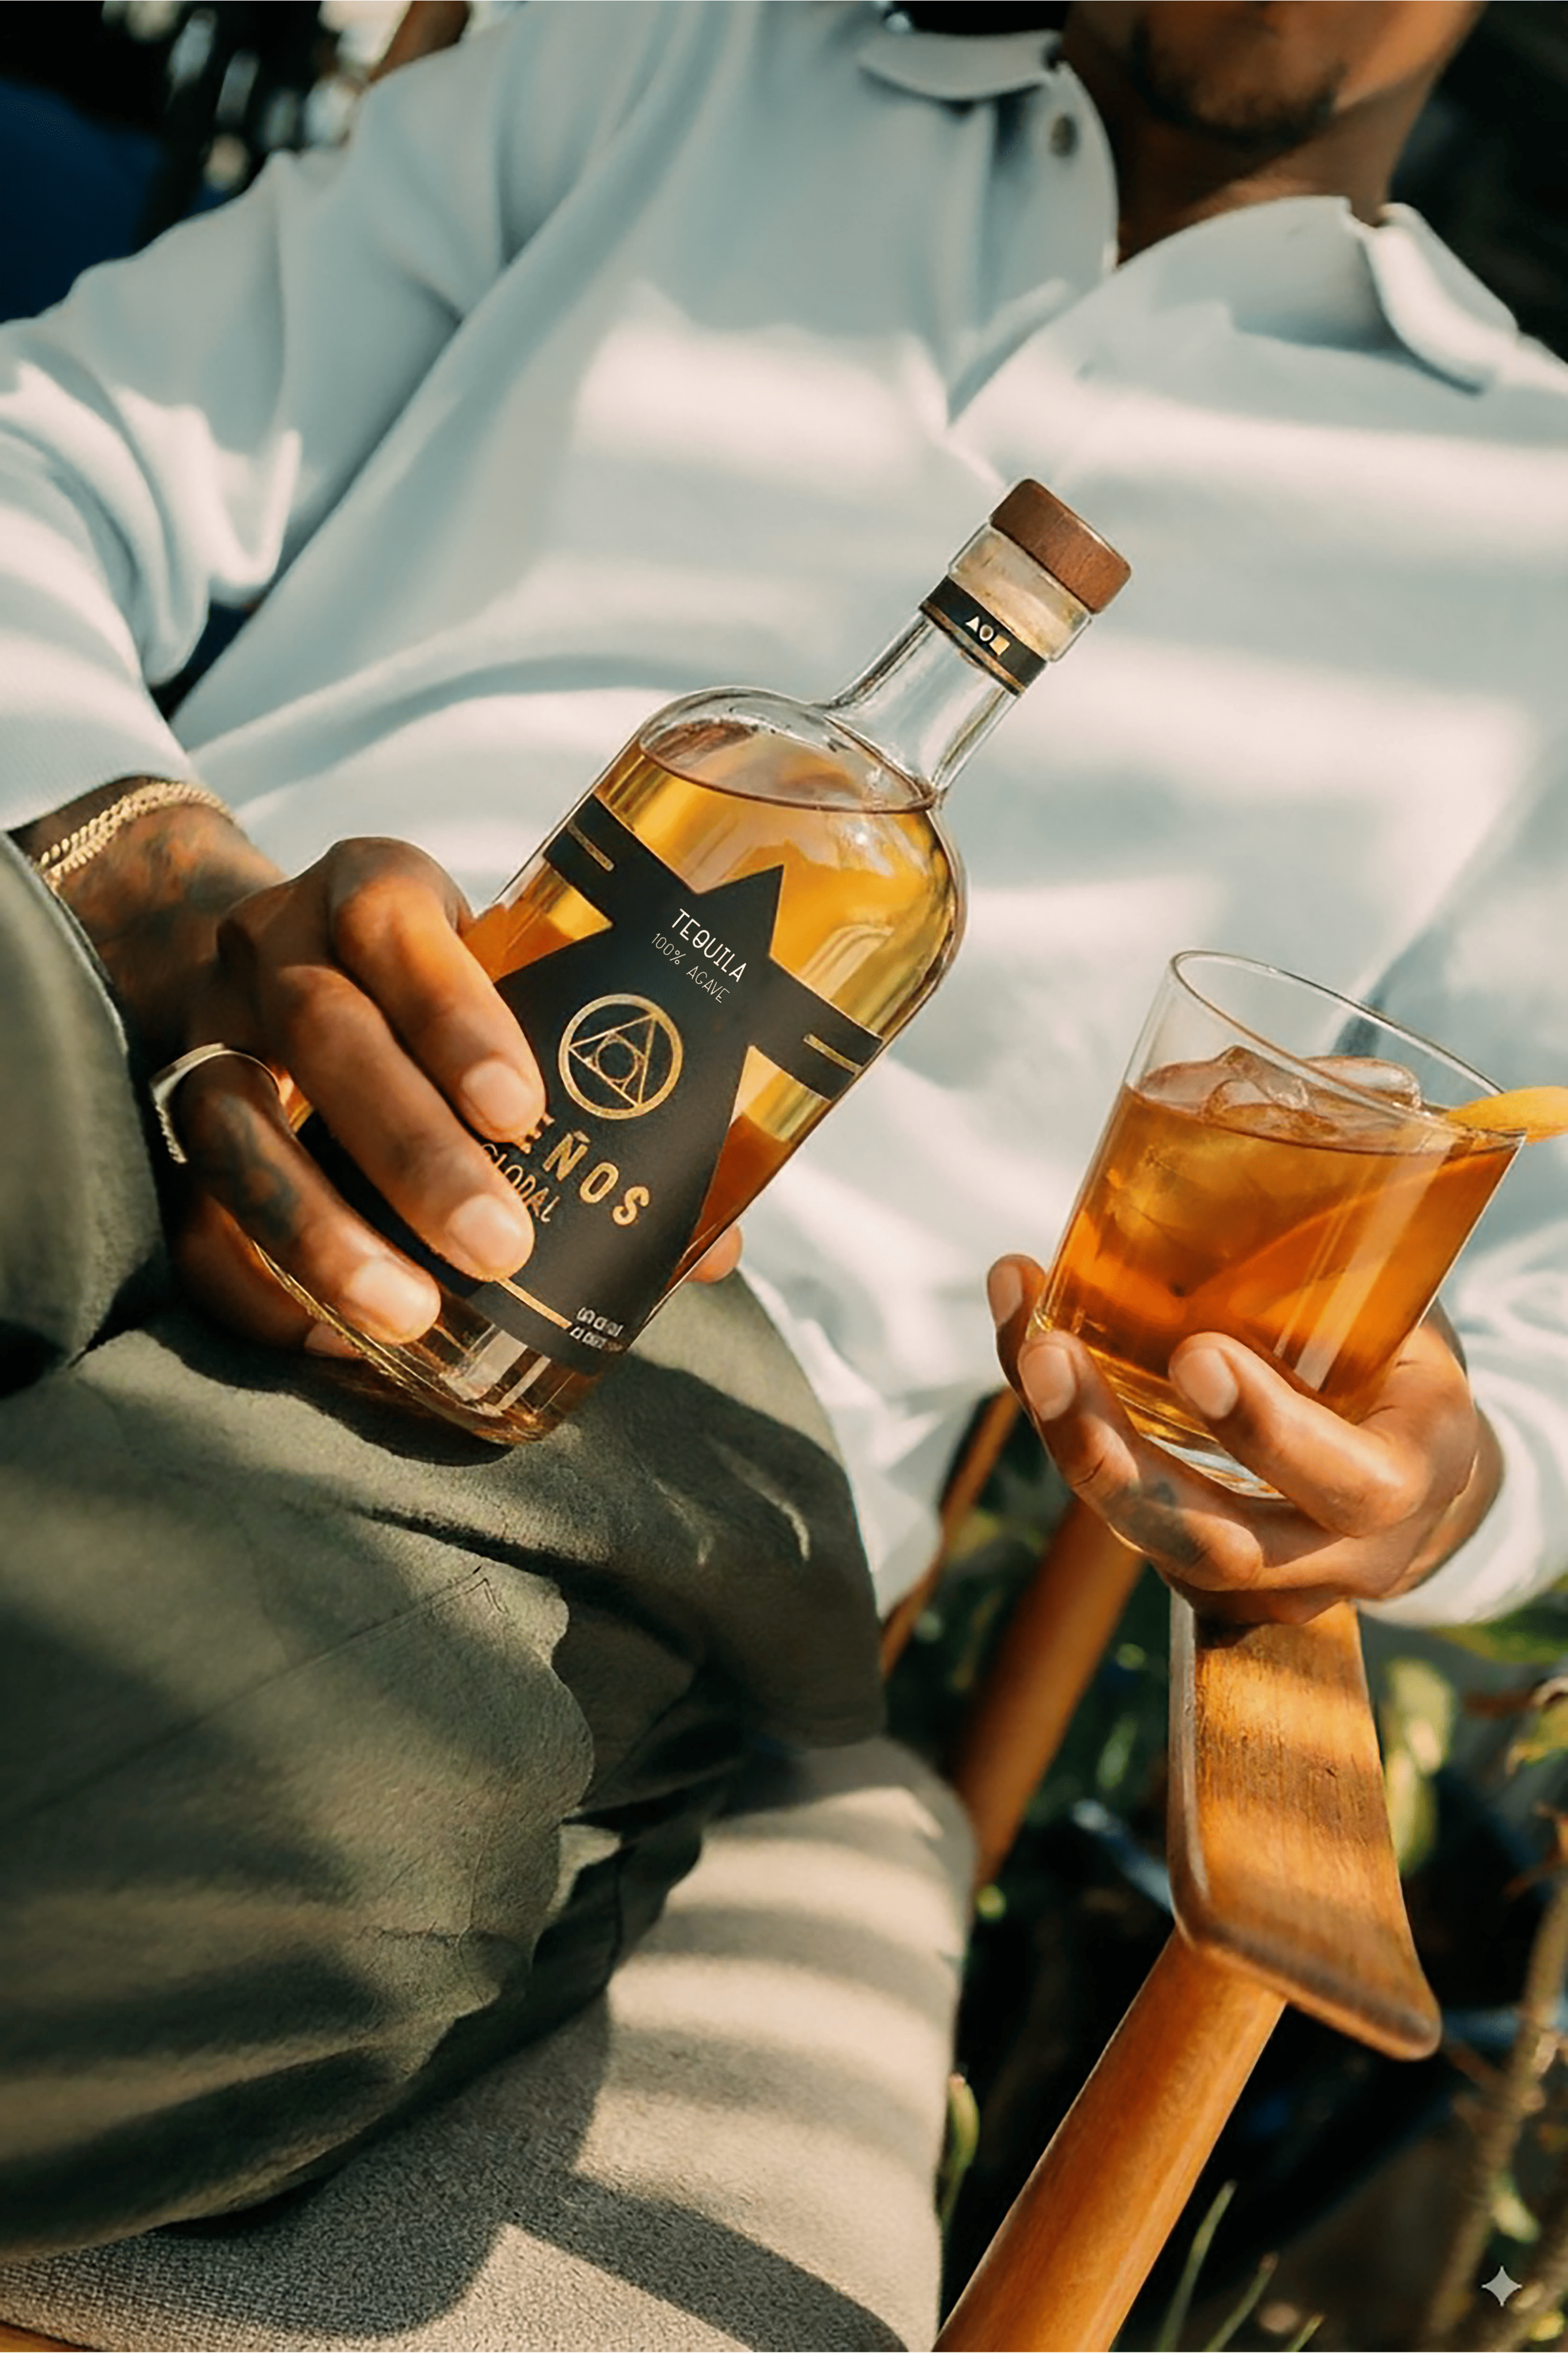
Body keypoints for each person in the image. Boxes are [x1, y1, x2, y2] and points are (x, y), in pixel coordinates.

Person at [2, 0, 1566, 2260]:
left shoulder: (1533, 535)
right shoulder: (654, 63)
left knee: (207, 1820)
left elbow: (1532, 1324)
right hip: (152, 987)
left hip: (638, 1399)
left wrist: (1438, 1470)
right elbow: (48, 445)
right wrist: (165, 886)